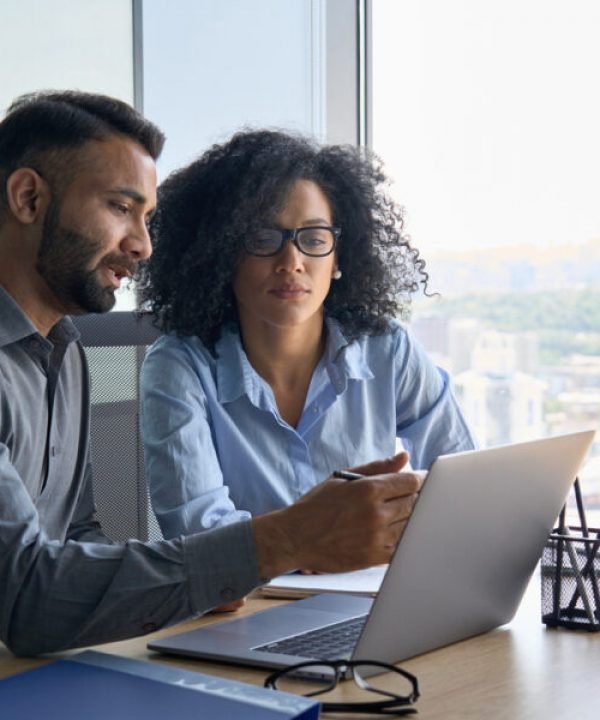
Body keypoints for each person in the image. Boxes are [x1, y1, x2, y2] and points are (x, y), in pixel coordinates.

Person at [0, 91, 424, 657]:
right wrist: (285, 539)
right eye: (121, 208)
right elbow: (26, 599)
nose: (144, 245)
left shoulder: (64, 353)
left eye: (147, 218)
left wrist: (196, 578)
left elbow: (76, 540)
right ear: (28, 197)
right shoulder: (164, 364)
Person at [139, 129, 475, 539]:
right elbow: (201, 537)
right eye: (264, 238)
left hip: (377, 591)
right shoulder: (179, 367)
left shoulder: (387, 349)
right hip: (248, 602)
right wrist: (313, 542)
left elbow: (464, 482)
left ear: (338, 258)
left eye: (314, 239)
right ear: (223, 253)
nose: (292, 261)